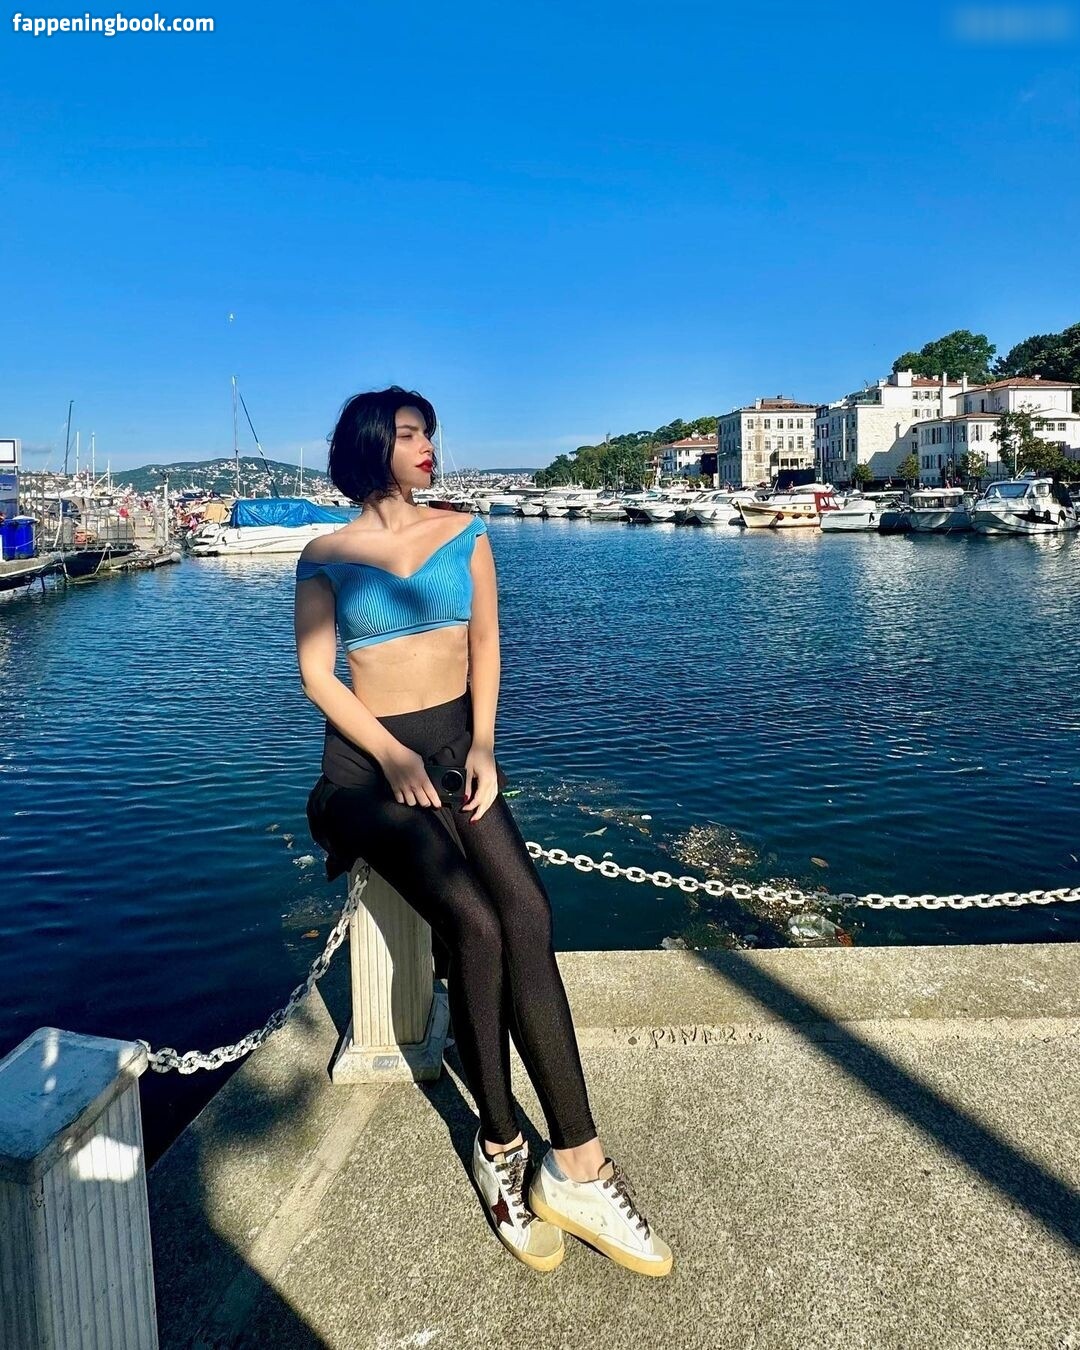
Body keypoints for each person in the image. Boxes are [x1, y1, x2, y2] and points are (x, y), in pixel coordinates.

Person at [294, 386, 672, 1278]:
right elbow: (318, 676)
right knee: (473, 921)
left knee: (528, 916)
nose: (429, 446)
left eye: (430, 433)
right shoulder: (326, 554)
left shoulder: (466, 532)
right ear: (373, 444)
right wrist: (391, 756)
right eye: (412, 434)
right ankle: (499, 1144)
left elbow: (488, 645)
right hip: (365, 771)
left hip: (456, 751)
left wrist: (486, 746)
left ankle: (577, 1164)